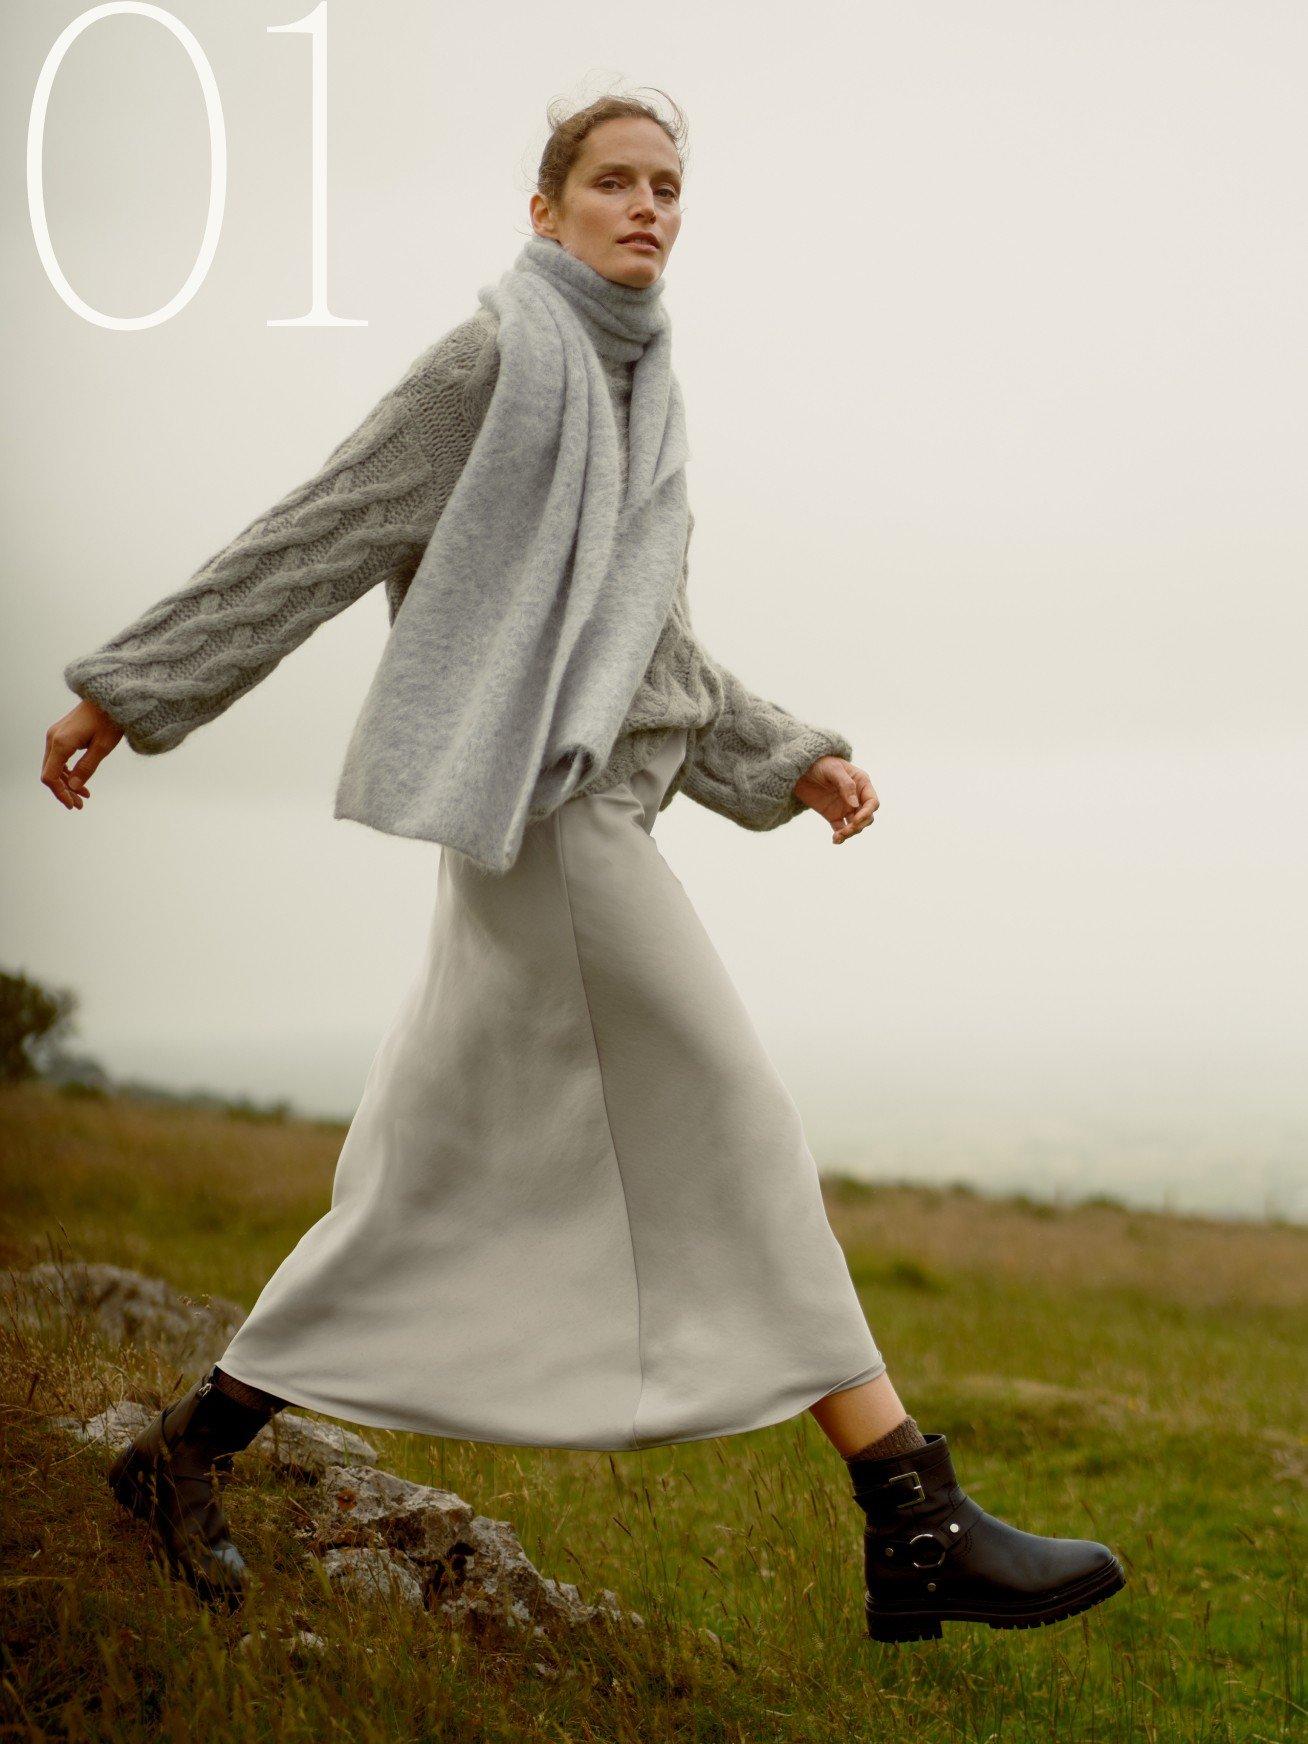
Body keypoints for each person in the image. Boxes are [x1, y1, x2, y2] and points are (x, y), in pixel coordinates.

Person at [43, 91, 1125, 1641]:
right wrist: (130, 692)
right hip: (548, 830)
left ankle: (182, 1454)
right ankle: (913, 1513)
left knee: (424, 1179)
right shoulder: (495, 360)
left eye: (670, 186)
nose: (648, 208)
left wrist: (779, 753)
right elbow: (322, 529)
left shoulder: (641, 383)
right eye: (614, 182)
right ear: (542, 210)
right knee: (741, 1122)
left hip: (591, 821)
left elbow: (646, 647)